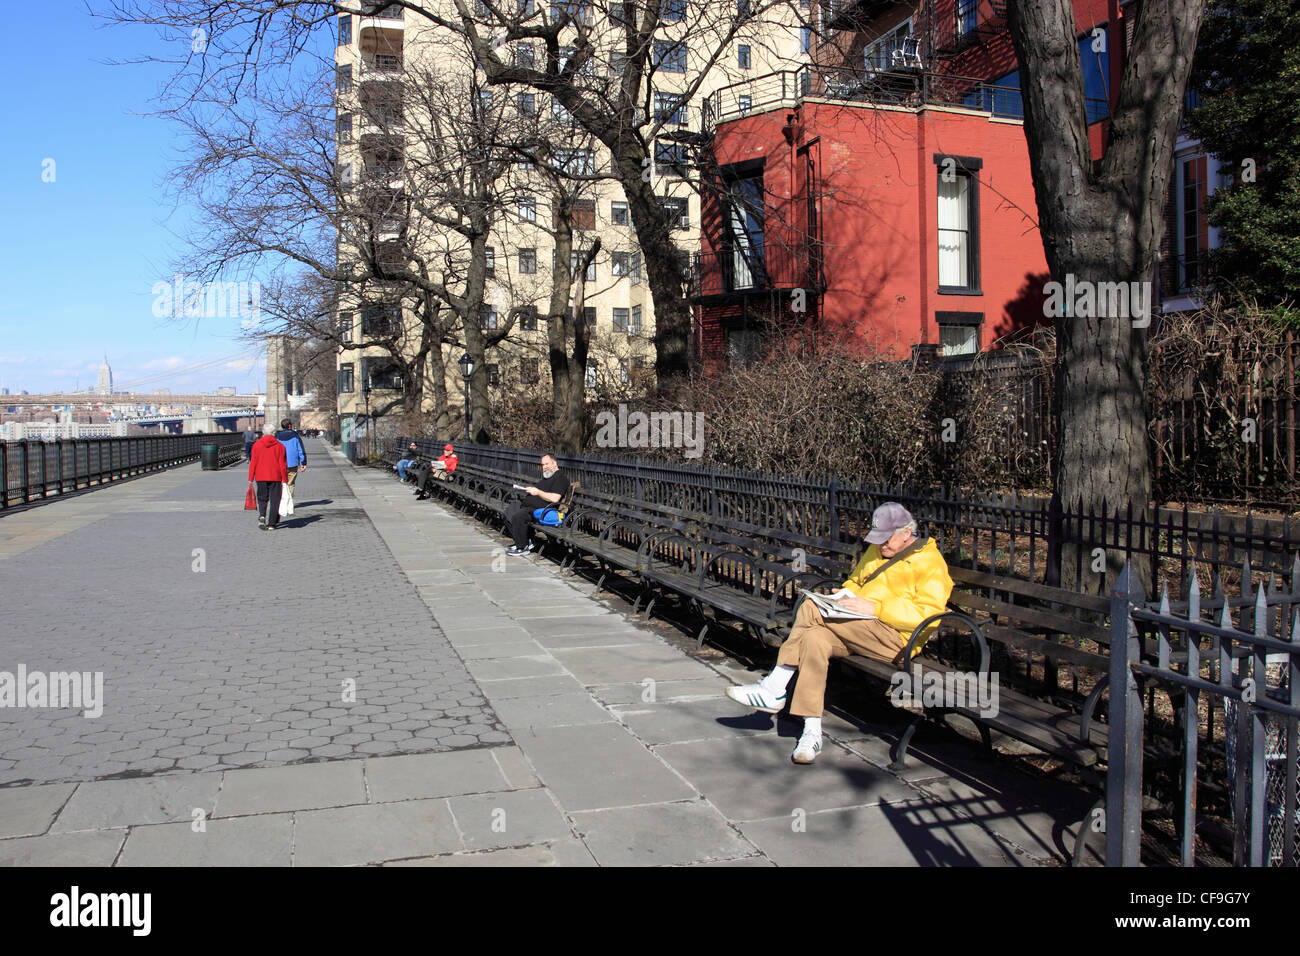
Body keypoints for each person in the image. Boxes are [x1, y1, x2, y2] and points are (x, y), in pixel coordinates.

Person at [725, 502, 953, 765]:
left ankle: (774, 687)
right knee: (814, 638)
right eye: (878, 540)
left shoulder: (931, 564)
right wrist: (843, 595)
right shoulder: (877, 550)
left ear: (906, 532)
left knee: (811, 608)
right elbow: (857, 581)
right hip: (860, 626)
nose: (881, 546)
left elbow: (928, 617)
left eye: (887, 539)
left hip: (896, 639)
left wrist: (875, 607)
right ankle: (811, 732)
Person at [501, 452, 569, 556]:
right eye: (542, 465)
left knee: (518, 516)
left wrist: (537, 492)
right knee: (508, 512)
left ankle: (522, 547)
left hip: (543, 511)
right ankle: (527, 541)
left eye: (547, 464)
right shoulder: (546, 478)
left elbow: (555, 498)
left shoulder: (560, 478)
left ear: (554, 464)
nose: (544, 467)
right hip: (531, 507)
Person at [248, 423, 289, 530]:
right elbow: (283, 464)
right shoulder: (280, 446)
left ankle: (262, 515)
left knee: (262, 498)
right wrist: (285, 479)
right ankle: (271, 524)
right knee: (275, 500)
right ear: (274, 433)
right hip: (275, 476)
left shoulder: (256, 445)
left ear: (263, 433)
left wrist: (250, 477)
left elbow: (253, 462)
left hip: (260, 475)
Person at [275, 418, 307, 495]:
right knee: (291, 483)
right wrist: (303, 462)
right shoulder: (295, 436)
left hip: (279, 463)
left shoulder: (277, 436)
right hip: (293, 463)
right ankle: (289, 501)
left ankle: (281, 500)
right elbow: (300, 450)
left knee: (281, 483)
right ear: (290, 426)